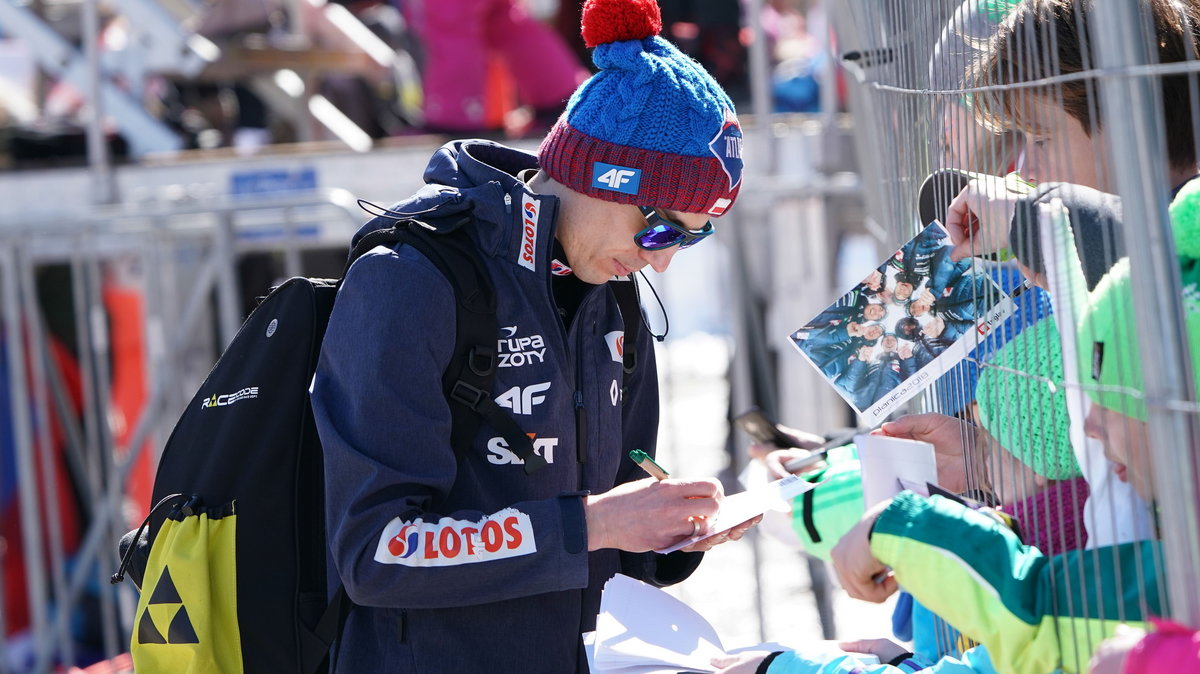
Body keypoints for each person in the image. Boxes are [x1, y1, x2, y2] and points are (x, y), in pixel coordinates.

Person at [309, 1, 754, 671]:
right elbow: (375, 552)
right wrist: (596, 523)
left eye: (691, 238)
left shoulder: (611, 295)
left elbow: (604, 541)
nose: (663, 258)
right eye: (662, 228)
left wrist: (669, 534)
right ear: (606, 175)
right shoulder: (411, 280)